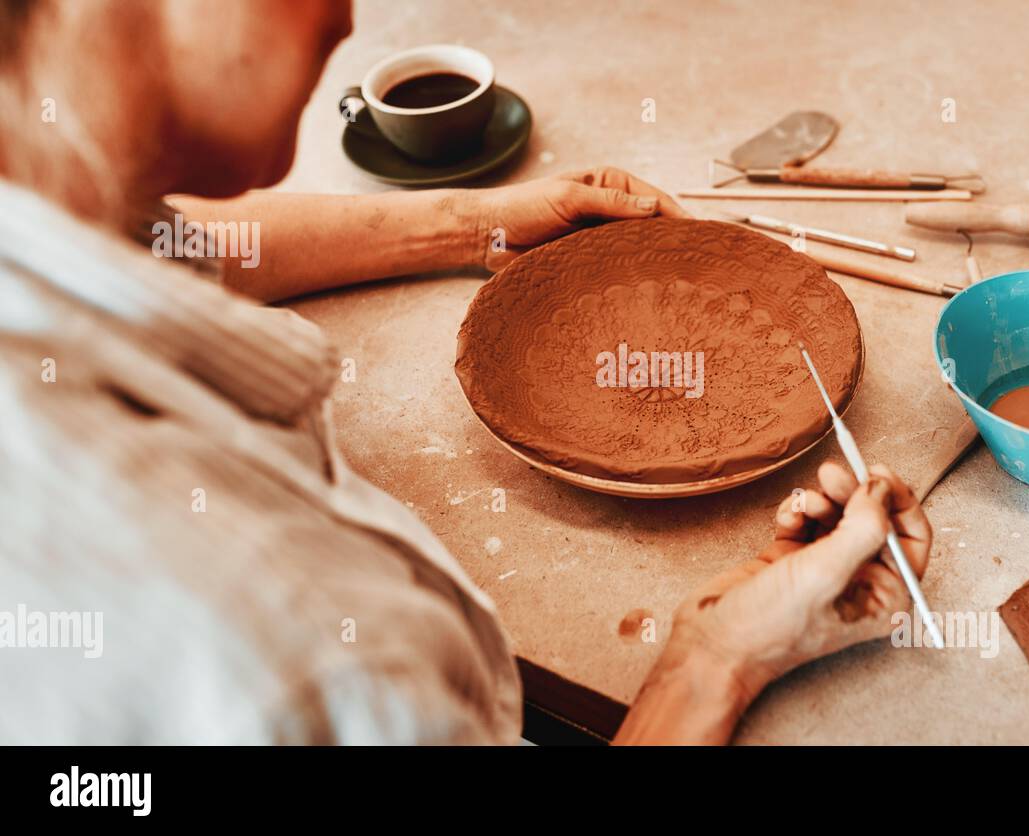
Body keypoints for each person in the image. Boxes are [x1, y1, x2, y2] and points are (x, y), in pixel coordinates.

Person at [0, 0, 932, 744]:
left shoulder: (41, 186)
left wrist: (465, 223)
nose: (347, 15)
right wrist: (712, 664)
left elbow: (170, 239)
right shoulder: (270, 646)